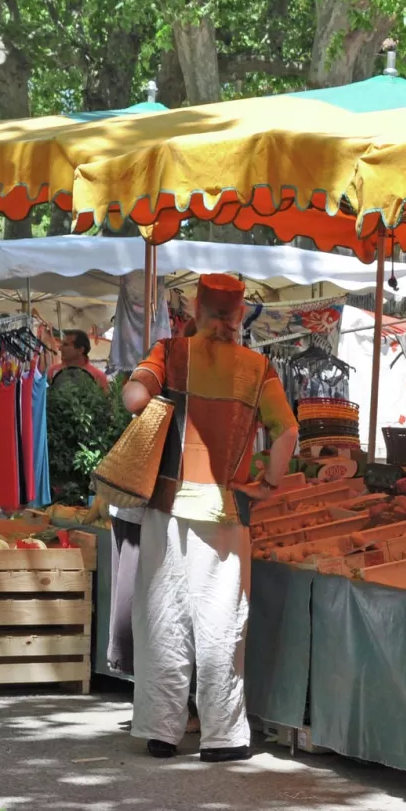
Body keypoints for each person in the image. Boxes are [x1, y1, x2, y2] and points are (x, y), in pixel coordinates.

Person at [122, 274, 298, 763]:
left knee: (162, 616)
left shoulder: (171, 353)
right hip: (226, 510)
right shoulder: (258, 368)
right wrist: (266, 486)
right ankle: (222, 736)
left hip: (167, 505)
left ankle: (161, 731)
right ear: (239, 316)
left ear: (196, 310)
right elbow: (287, 431)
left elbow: (133, 400)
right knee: (221, 620)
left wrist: (160, 396)